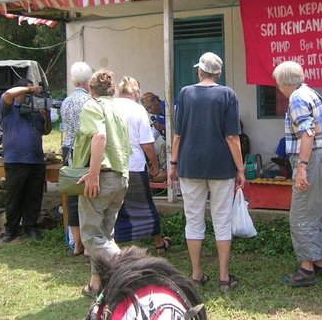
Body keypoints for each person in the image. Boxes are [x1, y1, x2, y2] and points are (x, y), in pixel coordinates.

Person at [169, 52, 246, 291]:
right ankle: (224, 277)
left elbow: (177, 134)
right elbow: (232, 137)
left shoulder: (185, 93)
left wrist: (173, 163)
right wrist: (241, 169)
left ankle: (196, 274)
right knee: (222, 219)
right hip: (220, 166)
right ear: (218, 73)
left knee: (193, 219)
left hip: (189, 164)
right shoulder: (228, 94)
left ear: (199, 71)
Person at [272, 61, 322, 287]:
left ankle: (306, 269)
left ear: (284, 82)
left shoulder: (297, 98)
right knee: (316, 211)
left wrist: (301, 166)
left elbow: (307, 132)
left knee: (301, 215)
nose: (277, 87)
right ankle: (319, 262)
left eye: (277, 83)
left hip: (312, 160)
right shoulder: (311, 93)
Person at [72, 69, 131, 297]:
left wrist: (93, 173)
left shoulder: (92, 106)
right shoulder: (119, 109)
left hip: (101, 176)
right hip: (120, 177)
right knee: (105, 234)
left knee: (90, 236)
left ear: (91, 89)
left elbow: (99, 137)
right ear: (113, 89)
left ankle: (129, 267)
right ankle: (96, 285)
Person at [113, 76, 171, 254]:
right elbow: (146, 143)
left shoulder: (109, 106)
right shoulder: (137, 110)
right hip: (134, 165)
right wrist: (155, 165)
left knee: (114, 206)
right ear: (135, 92)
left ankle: (112, 243)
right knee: (144, 204)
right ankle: (159, 243)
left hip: (111, 165)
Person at [0, 78, 52, 242]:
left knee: (33, 196)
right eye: (27, 89)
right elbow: (8, 94)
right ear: (20, 90)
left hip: (36, 160)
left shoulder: (34, 110)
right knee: (14, 197)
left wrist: (46, 116)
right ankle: (11, 229)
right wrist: (28, 89)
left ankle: (31, 227)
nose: (31, 92)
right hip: (15, 160)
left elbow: (46, 131)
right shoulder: (8, 108)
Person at [60, 61, 92, 256]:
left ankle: (77, 244)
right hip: (83, 150)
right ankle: (88, 246)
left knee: (73, 195)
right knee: (88, 195)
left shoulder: (66, 101)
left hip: (68, 150)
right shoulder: (88, 101)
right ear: (87, 80)